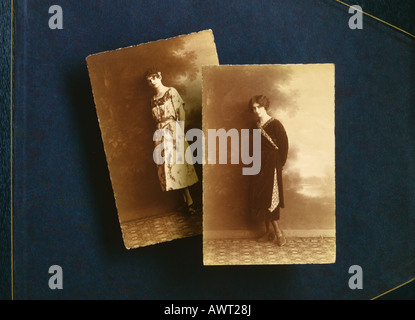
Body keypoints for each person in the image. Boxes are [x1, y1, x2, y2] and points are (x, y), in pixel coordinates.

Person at [146, 68, 199, 214]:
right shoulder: (153, 99)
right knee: (167, 168)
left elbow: (181, 112)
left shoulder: (171, 92)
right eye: (149, 80)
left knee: (178, 166)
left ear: (159, 76)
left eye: (153, 78)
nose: (152, 82)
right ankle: (184, 201)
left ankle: (191, 202)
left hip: (174, 130)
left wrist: (180, 132)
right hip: (160, 132)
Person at [248, 95, 289, 246]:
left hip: (272, 164)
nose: (256, 110)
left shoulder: (275, 124)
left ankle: (278, 232)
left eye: (259, 107)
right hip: (258, 164)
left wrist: (279, 164)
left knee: (271, 198)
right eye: (253, 108)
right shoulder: (255, 125)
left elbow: (284, 146)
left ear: (265, 106)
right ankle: (268, 232)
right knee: (261, 197)